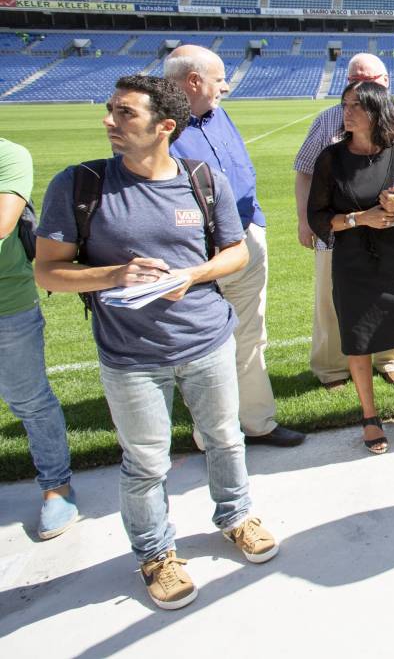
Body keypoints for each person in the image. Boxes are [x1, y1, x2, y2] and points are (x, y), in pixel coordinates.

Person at [34, 75, 278, 611]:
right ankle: (156, 554)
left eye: (125, 113)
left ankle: (236, 516)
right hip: (131, 357)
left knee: (225, 438)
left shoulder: (202, 179)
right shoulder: (79, 185)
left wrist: (193, 275)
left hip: (207, 340)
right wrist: (115, 274)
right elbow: (48, 271)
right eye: (111, 110)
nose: (110, 121)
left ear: (165, 126)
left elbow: (235, 251)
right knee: (145, 462)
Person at [163, 46, 304, 448]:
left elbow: (239, 168)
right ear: (194, 81)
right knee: (202, 345)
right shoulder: (161, 126)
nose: (225, 86)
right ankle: (214, 437)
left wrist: (254, 221)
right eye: (219, 78)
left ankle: (258, 422)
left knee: (251, 334)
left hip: (244, 239)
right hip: (197, 254)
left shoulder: (218, 115)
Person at [307, 82, 394, 453]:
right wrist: (359, 218)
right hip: (351, 262)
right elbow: (317, 217)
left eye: (356, 106)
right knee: (357, 339)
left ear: (376, 111)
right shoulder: (331, 159)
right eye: (345, 105)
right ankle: (369, 416)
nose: (346, 113)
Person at [0, 137, 78, 540]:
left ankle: (56, 487)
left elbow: (2, 223)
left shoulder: (8, 155)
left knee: (29, 399)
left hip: (6, 303)